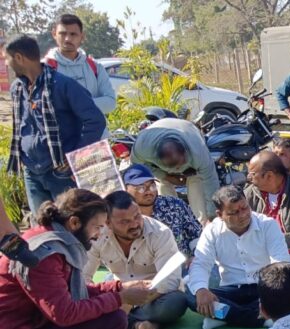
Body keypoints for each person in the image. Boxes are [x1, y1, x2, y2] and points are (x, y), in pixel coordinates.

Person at [0, 189, 151, 329]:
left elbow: (73, 291)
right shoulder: (45, 254)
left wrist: (119, 287)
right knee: (114, 321)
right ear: (74, 223)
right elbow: (64, 313)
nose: (98, 235)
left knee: (112, 315)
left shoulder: (54, 239)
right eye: (97, 227)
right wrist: (121, 298)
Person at [6, 35, 105, 212]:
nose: (7, 64)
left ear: (19, 57)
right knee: (42, 224)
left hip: (60, 173)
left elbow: (95, 120)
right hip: (32, 173)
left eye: (7, 58)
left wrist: (76, 156)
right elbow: (21, 127)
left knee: (69, 222)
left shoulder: (62, 85)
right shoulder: (17, 88)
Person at [85, 191, 191, 329]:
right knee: (85, 299)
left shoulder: (160, 233)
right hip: (120, 293)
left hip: (154, 297)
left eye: (137, 216)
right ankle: (138, 325)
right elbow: (83, 277)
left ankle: (118, 320)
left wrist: (130, 302)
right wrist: (119, 298)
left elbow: (170, 282)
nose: (135, 224)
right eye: (125, 222)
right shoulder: (97, 235)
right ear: (108, 223)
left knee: (176, 302)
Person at [188, 186, 289, 329]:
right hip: (232, 290)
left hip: (265, 288)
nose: (242, 215)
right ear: (220, 215)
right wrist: (201, 290)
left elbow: (280, 264)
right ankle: (261, 318)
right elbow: (200, 264)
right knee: (191, 294)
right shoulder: (212, 231)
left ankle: (223, 316)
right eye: (234, 212)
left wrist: (273, 294)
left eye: (245, 208)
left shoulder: (267, 224)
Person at [132, 118, 220, 223]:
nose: (178, 170)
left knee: (196, 180)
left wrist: (212, 216)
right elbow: (139, 166)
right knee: (162, 184)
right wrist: (164, 176)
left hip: (188, 129)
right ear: (157, 158)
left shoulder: (198, 152)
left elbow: (210, 182)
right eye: (174, 167)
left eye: (180, 165)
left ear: (185, 153)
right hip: (156, 136)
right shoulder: (143, 147)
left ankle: (200, 224)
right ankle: (174, 222)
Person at [244, 151, 290, 269]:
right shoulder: (250, 193)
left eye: (252, 174)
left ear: (269, 176)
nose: (249, 178)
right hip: (259, 252)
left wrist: (274, 239)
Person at [123, 164, 202, 259]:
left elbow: (197, 235)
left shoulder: (174, 205)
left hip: (185, 263)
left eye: (152, 186)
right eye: (141, 188)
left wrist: (195, 258)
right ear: (126, 190)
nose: (148, 191)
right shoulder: (122, 217)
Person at [44, 14, 116, 115]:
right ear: (54, 34)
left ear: (82, 36)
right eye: (63, 34)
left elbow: (111, 102)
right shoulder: (44, 68)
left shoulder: (95, 67)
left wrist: (77, 105)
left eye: (73, 34)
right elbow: (42, 106)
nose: (68, 39)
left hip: (95, 126)